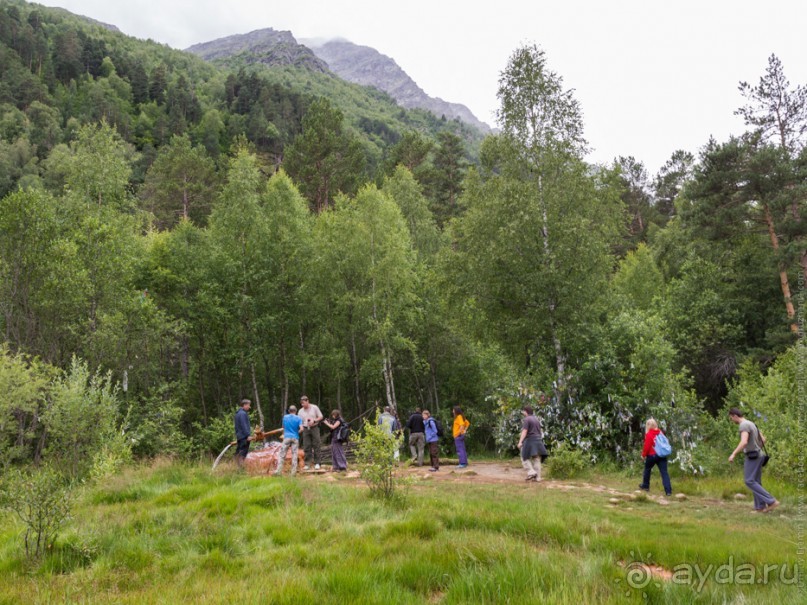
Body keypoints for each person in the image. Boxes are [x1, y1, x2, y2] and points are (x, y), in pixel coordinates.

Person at [728, 408, 778, 513]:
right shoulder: (752, 424)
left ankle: (771, 501)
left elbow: (744, 442)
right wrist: (757, 448)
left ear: (735, 416)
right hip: (759, 455)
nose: (732, 421)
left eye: (731, 418)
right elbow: (763, 439)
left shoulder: (744, 425)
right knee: (756, 482)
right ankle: (760, 507)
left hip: (753, 457)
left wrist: (733, 454)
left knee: (749, 481)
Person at [638, 418, 672, 496]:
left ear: (648, 426)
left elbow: (646, 447)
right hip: (662, 455)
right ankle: (668, 491)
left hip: (652, 455)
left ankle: (645, 486)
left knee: (647, 469)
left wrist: (643, 455)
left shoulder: (649, 434)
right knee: (664, 473)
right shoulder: (660, 432)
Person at [517, 405, 547, 481]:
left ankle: (531, 472)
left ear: (526, 412)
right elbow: (540, 431)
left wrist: (520, 442)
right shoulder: (536, 419)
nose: (523, 413)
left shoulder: (527, 419)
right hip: (538, 440)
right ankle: (538, 477)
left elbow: (525, 431)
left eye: (523, 411)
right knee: (536, 458)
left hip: (530, 440)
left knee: (524, 457)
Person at [274, 405, 303, 476]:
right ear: (296, 411)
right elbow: (302, 429)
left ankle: (278, 471)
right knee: (294, 454)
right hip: (295, 438)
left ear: (289, 411)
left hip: (286, 437)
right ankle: (293, 473)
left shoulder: (285, 417)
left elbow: (283, 427)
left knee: (282, 454)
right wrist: (297, 433)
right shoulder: (299, 418)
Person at [297, 395, 324, 470]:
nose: (303, 405)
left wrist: (314, 420)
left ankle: (317, 463)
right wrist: (300, 428)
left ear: (307, 401)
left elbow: (321, 416)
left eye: (304, 403)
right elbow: (299, 421)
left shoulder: (314, 407)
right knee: (306, 445)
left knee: (317, 444)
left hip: (314, 427)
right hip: (305, 429)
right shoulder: (300, 411)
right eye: (301, 404)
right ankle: (307, 463)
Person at [233, 398, 252, 467]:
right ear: (244, 405)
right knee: (243, 453)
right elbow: (244, 425)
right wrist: (248, 435)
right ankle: (240, 468)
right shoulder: (243, 414)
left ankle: (235, 466)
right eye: (248, 405)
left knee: (239, 451)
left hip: (239, 436)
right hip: (244, 437)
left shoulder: (237, 413)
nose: (249, 407)